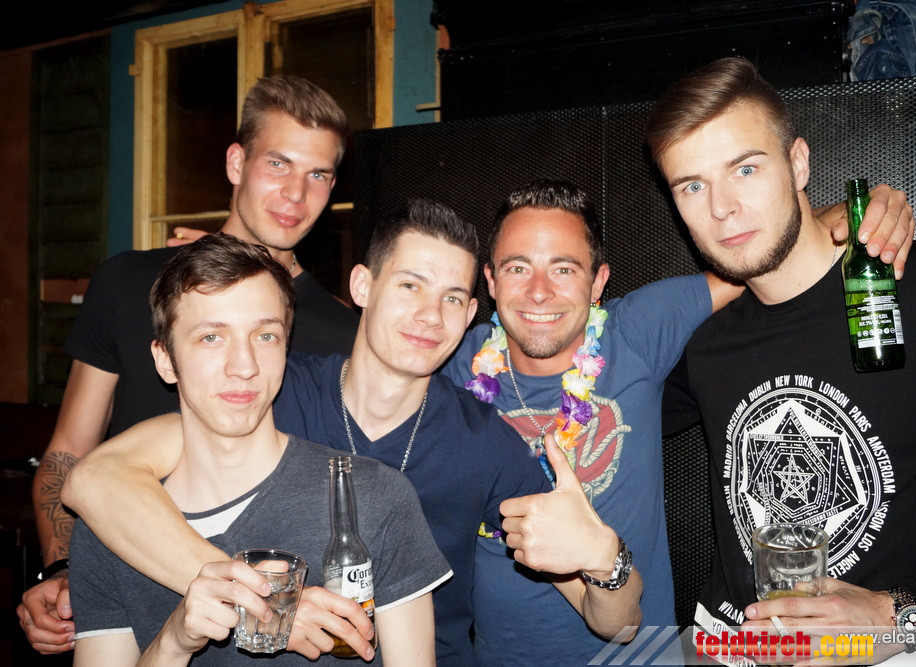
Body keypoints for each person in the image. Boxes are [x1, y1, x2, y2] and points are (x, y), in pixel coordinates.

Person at [62, 200, 643, 666]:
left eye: (452, 298)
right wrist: (261, 603)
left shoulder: (483, 440)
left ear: (470, 315)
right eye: (410, 285)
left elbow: (616, 623)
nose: (430, 315)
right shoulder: (268, 387)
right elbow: (96, 480)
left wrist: (607, 558)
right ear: (362, 286)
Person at [437, 177, 914, 665]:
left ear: (598, 283)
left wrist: (859, 215)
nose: (539, 292)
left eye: (563, 268)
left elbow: (757, 256)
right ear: (490, 281)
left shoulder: (637, 330)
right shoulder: (451, 365)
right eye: (518, 268)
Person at [648, 57, 916, 662]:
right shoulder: (702, 344)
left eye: (746, 169)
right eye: (692, 186)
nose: (722, 208)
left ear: (799, 163)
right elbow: (589, 406)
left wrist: (897, 614)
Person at [20, 74, 360, 654]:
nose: (295, 194)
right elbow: (69, 451)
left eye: (318, 175)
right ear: (236, 163)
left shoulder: (341, 333)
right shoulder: (130, 281)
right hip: (125, 596)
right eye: (278, 164)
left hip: (270, 621)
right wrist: (61, 567)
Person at [69, 233, 449, 665]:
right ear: (166, 361)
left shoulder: (374, 498)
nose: (244, 366)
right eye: (212, 337)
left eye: (265, 336)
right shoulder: (106, 530)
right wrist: (173, 643)